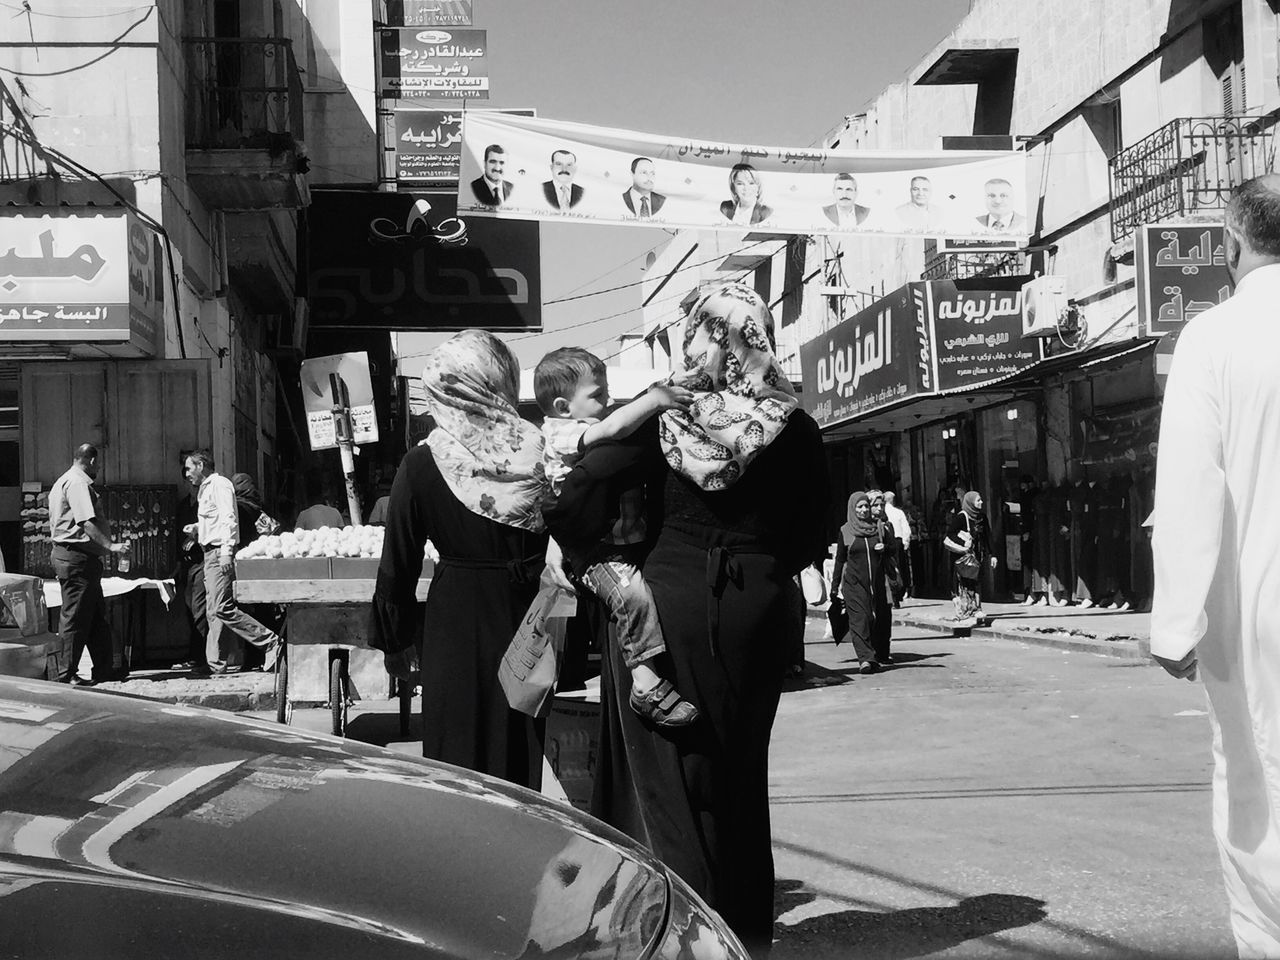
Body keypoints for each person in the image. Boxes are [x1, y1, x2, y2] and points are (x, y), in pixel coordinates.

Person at [547, 282, 828, 956]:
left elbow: (575, 495)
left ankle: (692, 947)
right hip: (759, 610)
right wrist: (756, 566)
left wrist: (608, 563)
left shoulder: (666, 417)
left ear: (700, 337)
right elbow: (814, 531)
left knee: (676, 799)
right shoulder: (794, 424)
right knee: (738, 785)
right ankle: (746, 942)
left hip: (670, 611)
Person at [1150, 174, 1280, 958]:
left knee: (1256, 783)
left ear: (1231, 245)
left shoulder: (1214, 336)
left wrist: (1176, 625)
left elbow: (1191, 488)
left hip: (1257, 611)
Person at [369, 330, 549, 789]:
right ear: (502, 378)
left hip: (456, 624)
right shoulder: (545, 452)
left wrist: (395, 642)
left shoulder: (424, 462)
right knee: (519, 743)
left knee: (457, 748)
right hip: (530, 616)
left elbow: (399, 563)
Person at [534, 346, 699, 727]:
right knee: (631, 597)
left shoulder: (581, 424)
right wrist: (656, 399)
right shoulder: (564, 433)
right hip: (598, 553)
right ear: (562, 406)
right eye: (597, 395)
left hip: (620, 543)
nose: (607, 401)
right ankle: (645, 684)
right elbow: (614, 428)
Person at [183, 450, 282, 675]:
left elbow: (229, 519)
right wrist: (198, 529)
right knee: (212, 611)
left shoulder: (219, 485)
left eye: (189, 468)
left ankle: (269, 641)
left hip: (220, 554)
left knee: (221, 607)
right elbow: (216, 522)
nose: (187, 474)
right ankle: (215, 664)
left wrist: (227, 550)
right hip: (209, 553)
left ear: (200, 465)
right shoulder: (206, 489)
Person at [47, 443, 131, 685]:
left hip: (78, 558)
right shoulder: (78, 483)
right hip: (77, 558)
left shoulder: (64, 480)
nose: (99, 468)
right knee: (75, 618)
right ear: (92, 461)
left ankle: (104, 669)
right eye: (99, 463)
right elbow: (86, 522)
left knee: (94, 616)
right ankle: (66, 674)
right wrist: (111, 546)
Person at [831, 491, 897, 673]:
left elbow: (894, 549)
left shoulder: (878, 528)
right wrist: (834, 586)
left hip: (875, 584)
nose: (864, 510)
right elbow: (839, 560)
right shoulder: (846, 531)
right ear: (853, 508)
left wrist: (884, 548)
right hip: (853, 584)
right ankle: (865, 659)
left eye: (866, 506)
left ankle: (873, 654)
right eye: (859, 507)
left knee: (870, 619)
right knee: (860, 620)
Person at [172, 450, 209, 676]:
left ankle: (201, 657)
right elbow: (177, 535)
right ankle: (195, 654)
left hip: (202, 561)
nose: (192, 488)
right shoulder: (184, 506)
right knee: (189, 608)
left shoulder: (205, 505)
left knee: (200, 609)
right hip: (186, 564)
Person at [942, 491, 996, 625]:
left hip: (977, 555)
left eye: (981, 500)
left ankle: (976, 608)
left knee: (976, 581)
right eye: (978, 500)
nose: (981, 502)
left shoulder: (982, 517)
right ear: (970, 502)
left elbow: (987, 536)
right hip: (963, 557)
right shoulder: (961, 517)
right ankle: (966, 610)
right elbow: (950, 534)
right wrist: (964, 543)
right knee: (965, 582)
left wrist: (993, 554)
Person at [883, 491, 913, 601]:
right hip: (898, 541)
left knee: (889, 566)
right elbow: (906, 529)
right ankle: (901, 590)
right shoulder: (898, 512)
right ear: (892, 500)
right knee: (900, 566)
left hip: (886, 541)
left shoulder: (882, 513)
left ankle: (893, 592)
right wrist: (906, 542)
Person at [469, 143, 514, 207]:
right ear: (484, 164)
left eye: (502, 163)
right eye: (493, 162)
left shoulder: (511, 188)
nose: (497, 168)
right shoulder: (473, 187)